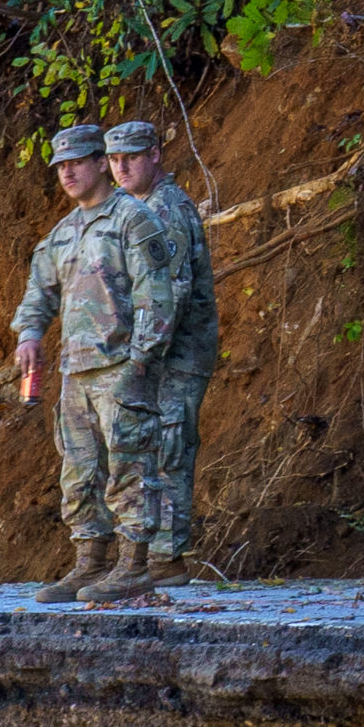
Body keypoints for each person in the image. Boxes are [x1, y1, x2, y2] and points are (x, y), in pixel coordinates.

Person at [9, 123, 177, 603]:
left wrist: (142, 363)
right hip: (75, 372)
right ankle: (89, 563)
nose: (68, 173)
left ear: (101, 162)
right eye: (61, 166)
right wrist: (30, 334)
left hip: (121, 364)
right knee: (79, 472)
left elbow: (156, 298)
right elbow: (38, 292)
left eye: (77, 163)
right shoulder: (63, 232)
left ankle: (134, 565)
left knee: (129, 466)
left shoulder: (133, 219)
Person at [105, 120, 222, 584]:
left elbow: (168, 295)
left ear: (155, 154)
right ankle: (155, 556)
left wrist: (142, 360)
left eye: (131, 157)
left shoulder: (165, 210)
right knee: (154, 447)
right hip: (158, 354)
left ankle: (165, 560)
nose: (122, 167)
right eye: (114, 159)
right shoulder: (139, 209)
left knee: (169, 446)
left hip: (174, 355)